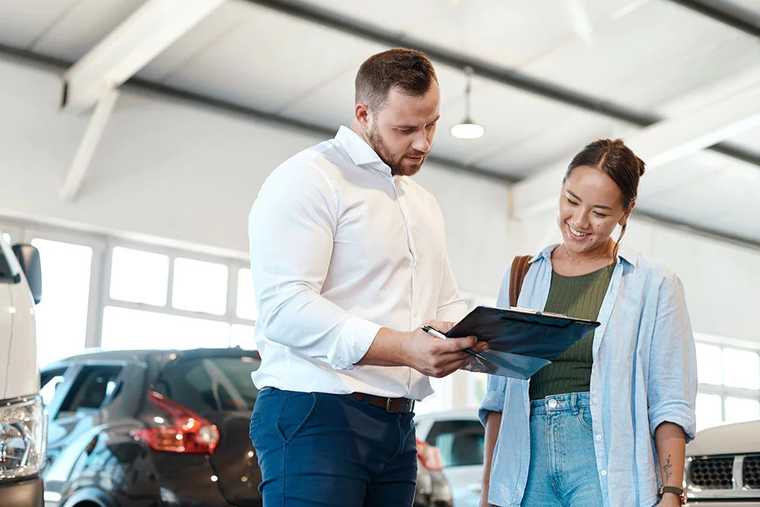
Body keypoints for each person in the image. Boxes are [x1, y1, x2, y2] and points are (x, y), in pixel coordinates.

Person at [248, 48, 482, 507]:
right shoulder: (310, 179)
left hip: (397, 425)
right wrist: (405, 348)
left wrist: (488, 336)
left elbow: (445, 305)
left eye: (431, 123)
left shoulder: (422, 204)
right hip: (315, 412)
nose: (423, 143)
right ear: (363, 114)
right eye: (406, 129)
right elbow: (285, 308)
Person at [479, 139, 697, 507]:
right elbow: (498, 400)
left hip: (606, 463)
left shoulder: (654, 285)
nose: (579, 222)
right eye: (571, 201)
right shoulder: (522, 277)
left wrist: (672, 493)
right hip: (525, 465)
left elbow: (670, 401)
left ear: (626, 212)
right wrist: (488, 495)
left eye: (599, 212)